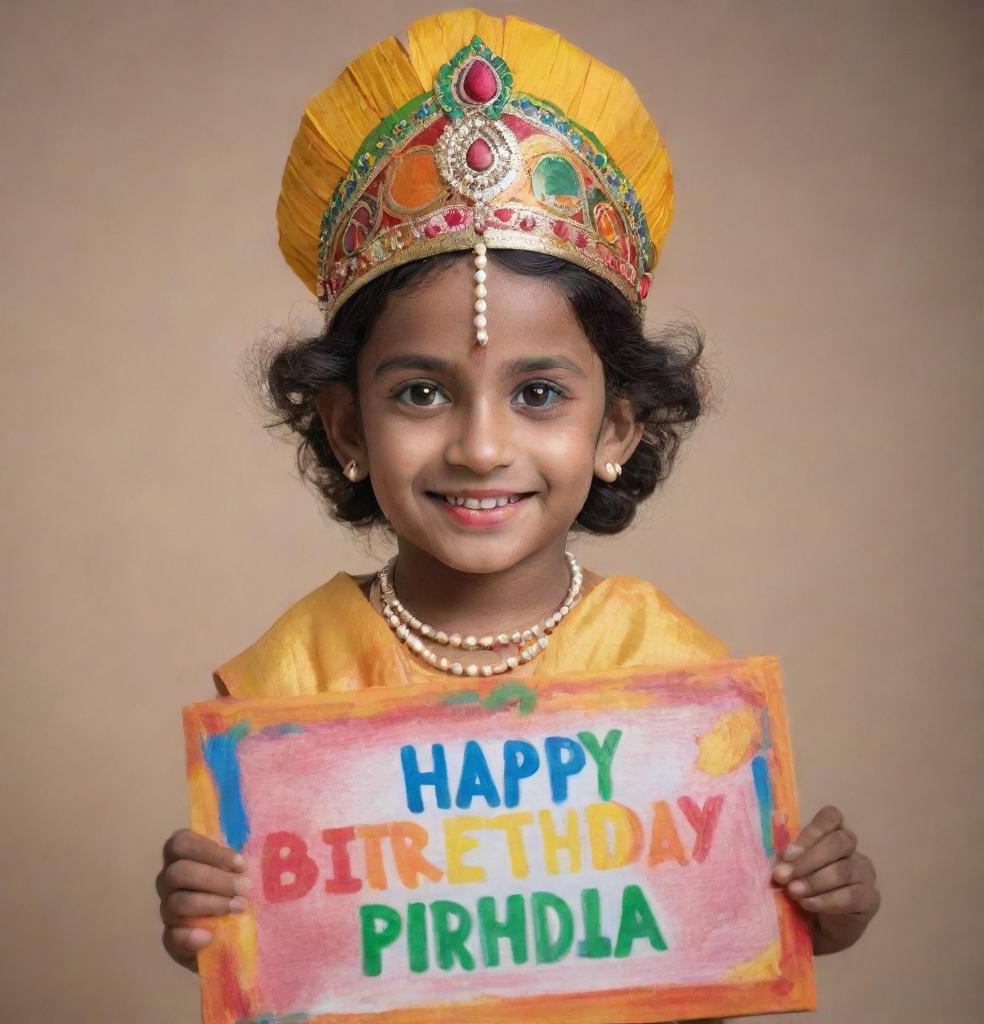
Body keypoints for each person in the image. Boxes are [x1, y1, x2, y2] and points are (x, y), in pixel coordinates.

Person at [154, 8, 881, 1017]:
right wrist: (211, 918)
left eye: (538, 394)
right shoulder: (295, 680)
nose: (481, 447)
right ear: (347, 424)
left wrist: (811, 909)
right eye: (421, 393)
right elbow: (290, 946)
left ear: (616, 427)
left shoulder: (663, 671)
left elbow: (715, 914)